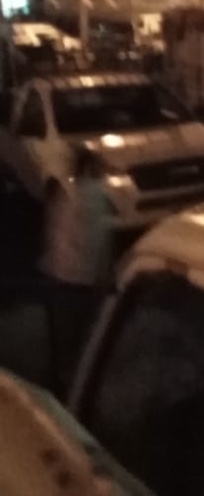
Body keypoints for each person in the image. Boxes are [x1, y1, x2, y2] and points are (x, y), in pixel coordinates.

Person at [39, 148, 116, 396]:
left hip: (59, 275)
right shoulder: (99, 197)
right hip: (84, 279)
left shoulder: (66, 195)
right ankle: (78, 387)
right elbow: (101, 241)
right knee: (85, 335)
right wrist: (106, 276)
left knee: (63, 337)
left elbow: (55, 234)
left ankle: (61, 383)